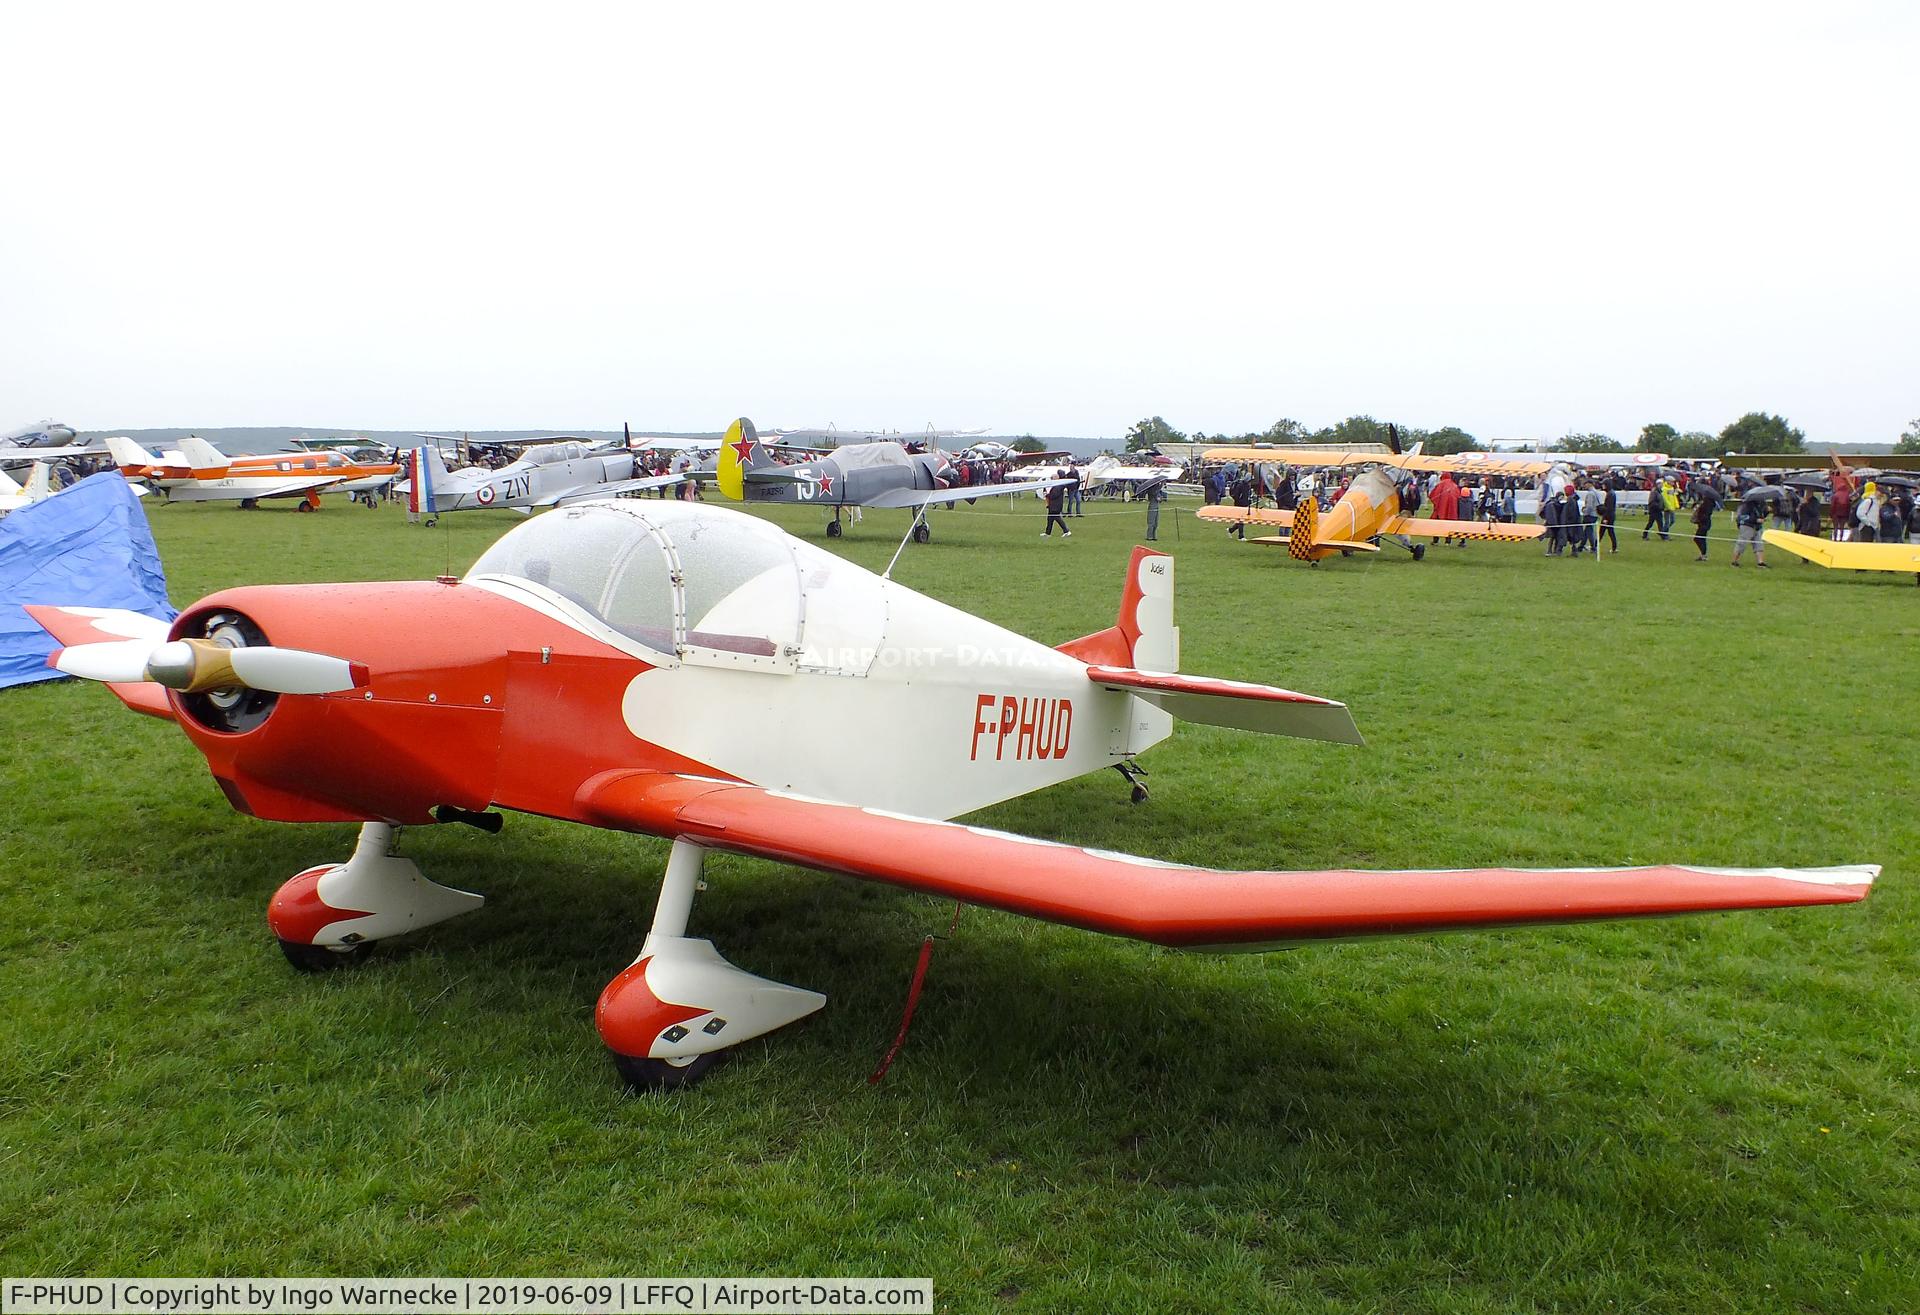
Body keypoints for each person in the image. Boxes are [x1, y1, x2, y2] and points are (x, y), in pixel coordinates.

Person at [1731, 491, 1770, 568]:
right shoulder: (1746, 505)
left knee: (1759, 544)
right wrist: (1756, 520)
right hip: (1747, 526)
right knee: (1741, 544)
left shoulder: (1761, 504)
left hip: (1757, 527)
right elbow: (1742, 517)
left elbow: (1762, 515)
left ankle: (1760, 562)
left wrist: (1767, 512)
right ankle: (1734, 562)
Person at [1142, 477, 1166, 541]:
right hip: (1152, 505)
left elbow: (1159, 497)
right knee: (1151, 522)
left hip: (1157, 505)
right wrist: (1161, 485)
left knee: (1156, 522)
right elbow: (1154, 494)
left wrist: (1160, 498)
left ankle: (1154, 536)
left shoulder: (1157, 490)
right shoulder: (1151, 489)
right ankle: (1149, 536)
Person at [1597, 483, 1618, 553]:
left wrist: (1605, 518)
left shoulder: (1610, 494)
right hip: (1610, 515)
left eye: (1604, 485)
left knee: (1603, 532)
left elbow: (1609, 508)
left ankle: (1595, 545)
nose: (1603, 486)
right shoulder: (1611, 493)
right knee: (1608, 532)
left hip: (1608, 516)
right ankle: (1614, 547)